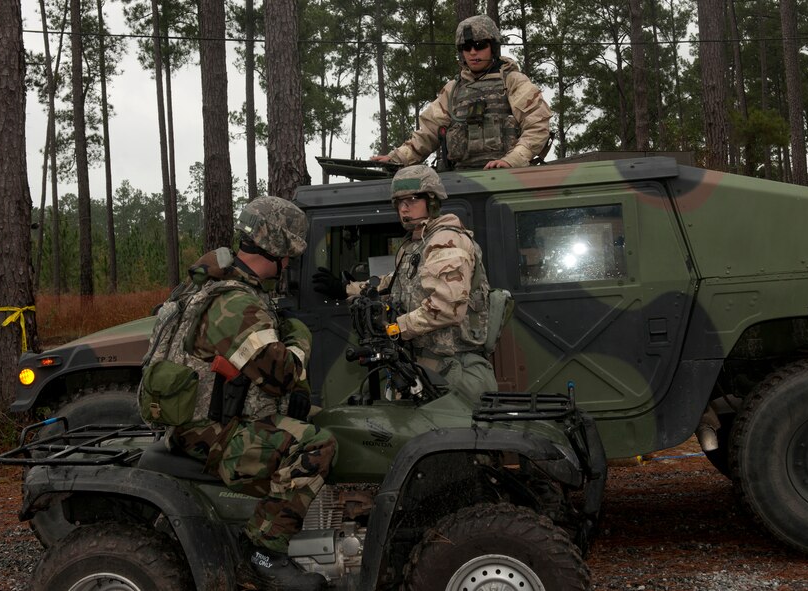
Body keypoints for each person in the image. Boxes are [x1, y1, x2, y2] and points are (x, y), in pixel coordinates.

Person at [145, 196, 335, 591]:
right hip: (208, 433)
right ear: (281, 251)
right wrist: (300, 339)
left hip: (209, 419)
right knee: (317, 445)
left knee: (314, 416)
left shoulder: (223, 283)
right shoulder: (235, 302)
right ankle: (262, 552)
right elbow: (281, 375)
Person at [313, 165, 497, 404]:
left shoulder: (446, 240)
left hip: (450, 369)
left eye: (411, 199)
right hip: (423, 365)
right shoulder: (415, 245)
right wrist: (347, 289)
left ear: (431, 200)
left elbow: (447, 307)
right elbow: (395, 282)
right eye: (398, 202)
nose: (403, 208)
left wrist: (395, 328)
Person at [372, 15, 553, 171]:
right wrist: (398, 158)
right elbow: (428, 133)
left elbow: (537, 126)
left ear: (493, 47)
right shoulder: (453, 90)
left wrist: (511, 160)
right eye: (467, 48)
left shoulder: (513, 81)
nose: (473, 52)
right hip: (461, 181)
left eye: (480, 45)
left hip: (508, 177)